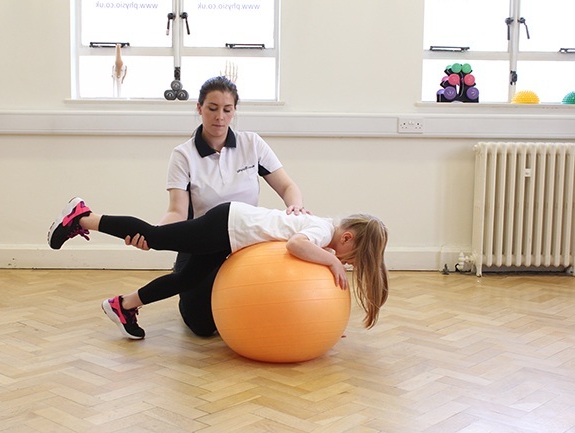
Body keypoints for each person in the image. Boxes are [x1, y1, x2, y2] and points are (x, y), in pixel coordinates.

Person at [47, 197, 389, 340]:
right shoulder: (322, 232)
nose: (345, 263)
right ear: (346, 237)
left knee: (187, 278)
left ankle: (123, 306)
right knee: (152, 237)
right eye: (351, 258)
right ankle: (82, 216)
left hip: (230, 237)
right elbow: (294, 246)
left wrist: (318, 325)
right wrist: (330, 258)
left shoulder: (326, 232)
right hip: (226, 224)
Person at [125, 76, 307, 337]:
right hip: (202, 242)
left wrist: (295, 208)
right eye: (212, 108)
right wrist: (155, 235)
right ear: (199, 108)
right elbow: (177, 210)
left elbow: (288, 187)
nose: (219, 117)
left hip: (244, 243)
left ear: (234, 111)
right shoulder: (183, 155)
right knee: (202, 325)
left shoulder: (251, 144)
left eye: (227, 109)